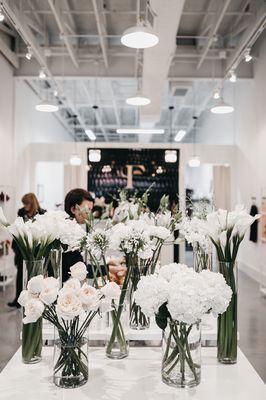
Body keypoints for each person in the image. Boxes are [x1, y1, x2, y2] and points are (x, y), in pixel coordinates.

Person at [62, 188, 126, 283]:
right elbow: (82, 270)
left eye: (91, 210)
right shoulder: (67, 233)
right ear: (73, 209)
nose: (90, 214)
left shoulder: (70, 227)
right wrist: (111, 269)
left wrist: (108, 263)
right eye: (88, 210)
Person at [8, 193, 46, 308]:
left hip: (36, 248)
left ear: (32, 203)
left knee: (36, 274)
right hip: (22, 248)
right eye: (24, 204)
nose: (24, 206)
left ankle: (36, 299)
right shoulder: (21, 212)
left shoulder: (42, 213)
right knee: (21, 274)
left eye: (26, 203)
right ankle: (18, 300)